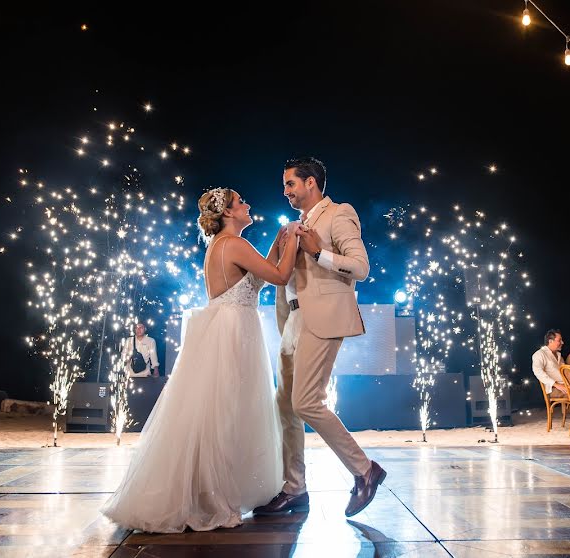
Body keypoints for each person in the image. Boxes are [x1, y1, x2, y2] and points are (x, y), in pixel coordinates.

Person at [102, 187, 297, 532]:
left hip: (228, 326)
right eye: (241, 202)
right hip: (234, 331)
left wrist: (276, 247)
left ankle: (208, 490)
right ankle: (214, 496)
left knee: (218, 410)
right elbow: (279, 276)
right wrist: (294, 237)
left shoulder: (222, 245)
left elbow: (256, 281)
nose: (248, 204)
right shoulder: (234, 244)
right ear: (228, 213)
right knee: (226, 412)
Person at [254, 157, 385, 519]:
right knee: (285, 406)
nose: (285, 191)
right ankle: (294, 488)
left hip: (323, 317)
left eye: (290, 184)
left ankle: (364, 470)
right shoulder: (293, 226)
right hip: (293, 321)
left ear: (310, 182)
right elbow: (280, 278)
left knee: (306, 402)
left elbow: (360, 266)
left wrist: (317, 252)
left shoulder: (339, 213)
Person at [531, 329, 568, 399]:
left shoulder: (560, 356)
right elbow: (538, 372)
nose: (562, 342)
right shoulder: (539, 354)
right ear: (550, 341)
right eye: (559, 340)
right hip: (553, 389)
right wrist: (557, 385)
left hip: (567, 386)